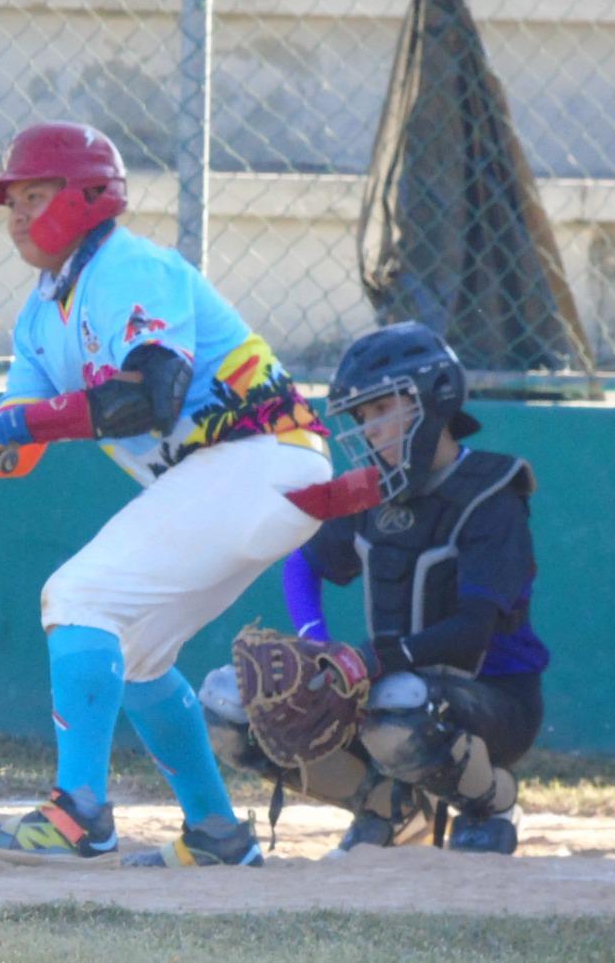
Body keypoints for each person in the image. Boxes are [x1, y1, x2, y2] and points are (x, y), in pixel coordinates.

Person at [0, 120, 334, 867]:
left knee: (76, 596)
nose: (16, 215)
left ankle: (79, 814)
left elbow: (150, 397)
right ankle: (216, 835)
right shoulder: (40, 317)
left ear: (89, 197)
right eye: (10, 200)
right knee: (135, 654)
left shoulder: (129, 268)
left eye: (34, 195)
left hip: (262, 457)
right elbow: (15, 458)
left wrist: (23, 421)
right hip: (232, 480)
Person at [202, 321, 549, 856]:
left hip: (494, 703)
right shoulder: (374, 493)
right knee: (232, 704)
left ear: (433, 400)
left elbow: (472, 629)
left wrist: (371, 662)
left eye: (383, 409)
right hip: (392, 683)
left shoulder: (492, 494)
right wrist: (317, 642)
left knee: (395, 699)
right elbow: (303, 566)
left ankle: (492, 802)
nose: (371, 430)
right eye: (363, 418)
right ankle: (389, 806)